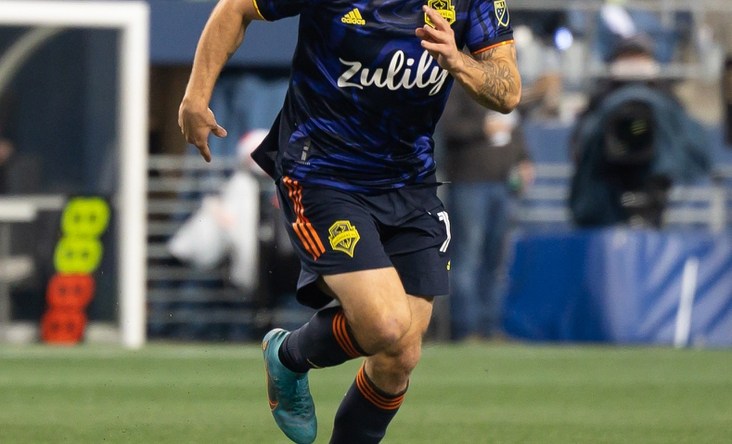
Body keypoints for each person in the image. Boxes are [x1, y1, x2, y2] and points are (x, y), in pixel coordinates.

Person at [178, 0, 521, 442]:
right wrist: (195, 97)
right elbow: (235, 8)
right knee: (384, 325)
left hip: (410, 181)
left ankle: (292, 359)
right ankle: (288, 355)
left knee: (400, 355)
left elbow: (508, 90)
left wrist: (458, 61)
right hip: (322, 174)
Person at [440, 84, 534, 341]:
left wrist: (524, 159)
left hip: (504, 183)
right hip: (469, 182)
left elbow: (514, 128)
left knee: (497, 260)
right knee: (467, 258)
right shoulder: (458, 84)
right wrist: (482, 129)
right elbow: (446, 126)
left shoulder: (502, 83)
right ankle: (465, 328)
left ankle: (490, 327)